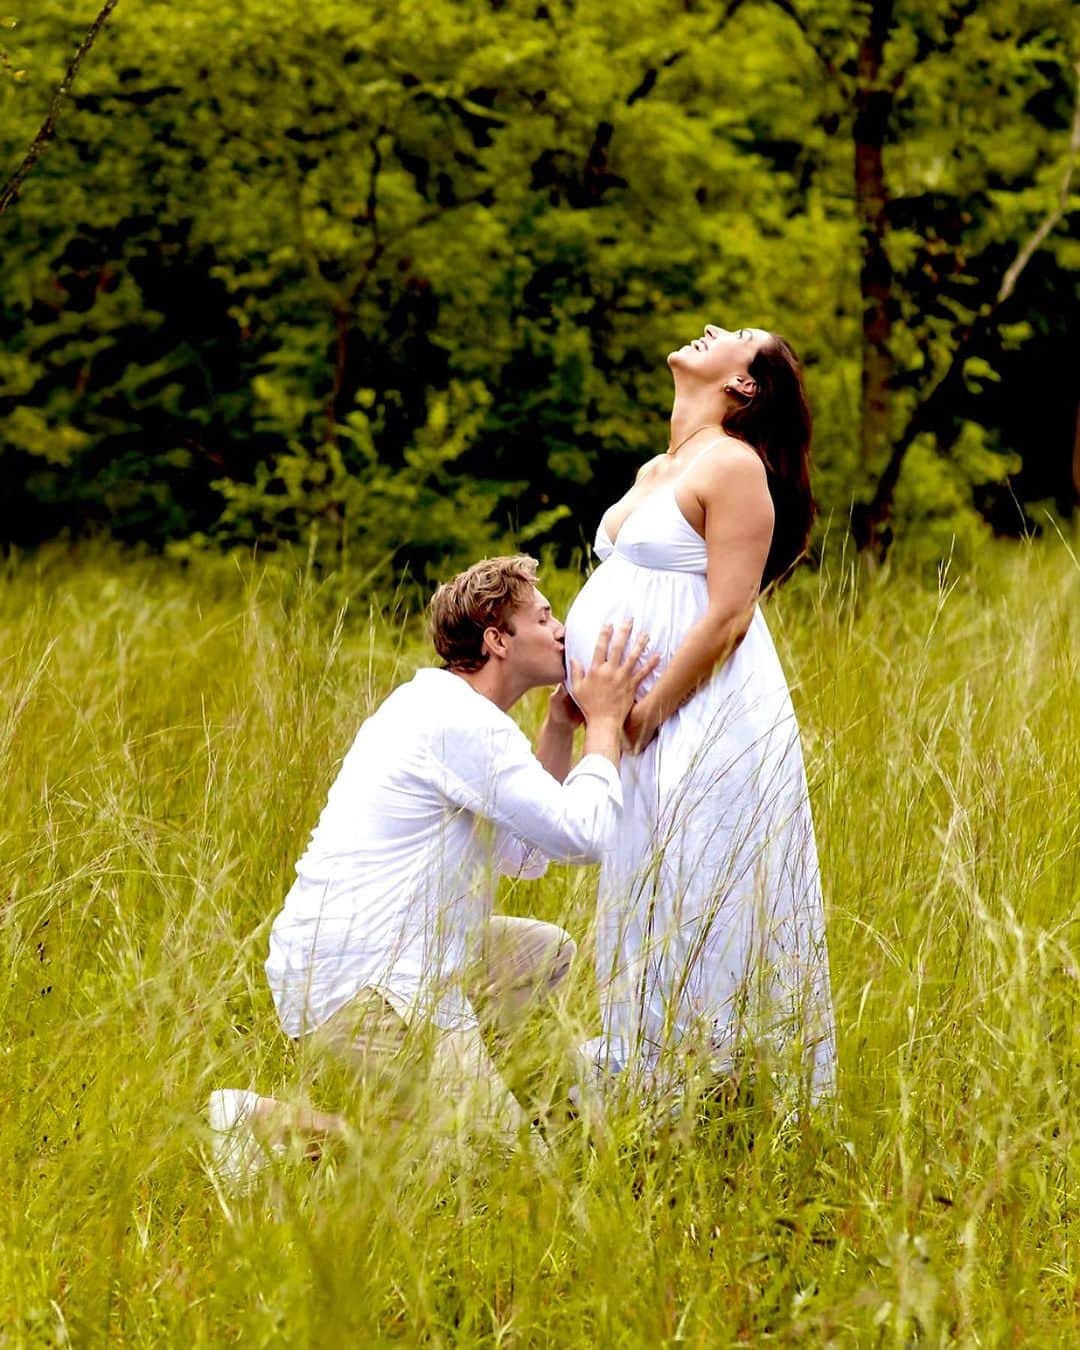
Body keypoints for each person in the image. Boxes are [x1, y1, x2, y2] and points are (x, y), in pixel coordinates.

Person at [207, 555, 656, 1182]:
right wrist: (605, 725)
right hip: (365, 984)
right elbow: (583, 836)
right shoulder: (457, 723)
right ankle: (256, 1118)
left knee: (542, 951)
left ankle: (518, 1104)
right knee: (500, 1172)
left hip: (380, 959)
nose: (562, 629)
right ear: (498, 640)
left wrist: (560, 727)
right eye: (545, 616)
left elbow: (523, 857)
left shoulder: (452, 713)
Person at [562, 324, 835, 1103]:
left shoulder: (735, 464)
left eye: (736, 335)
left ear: (744, 385)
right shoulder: (660, 466)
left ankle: (716, 1086)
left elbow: (729, 615)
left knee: (698, 881)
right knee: (642, 883)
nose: (712, 328)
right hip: (636, 720)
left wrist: (644, 714)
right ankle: (646, 1080)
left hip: (697, 717)